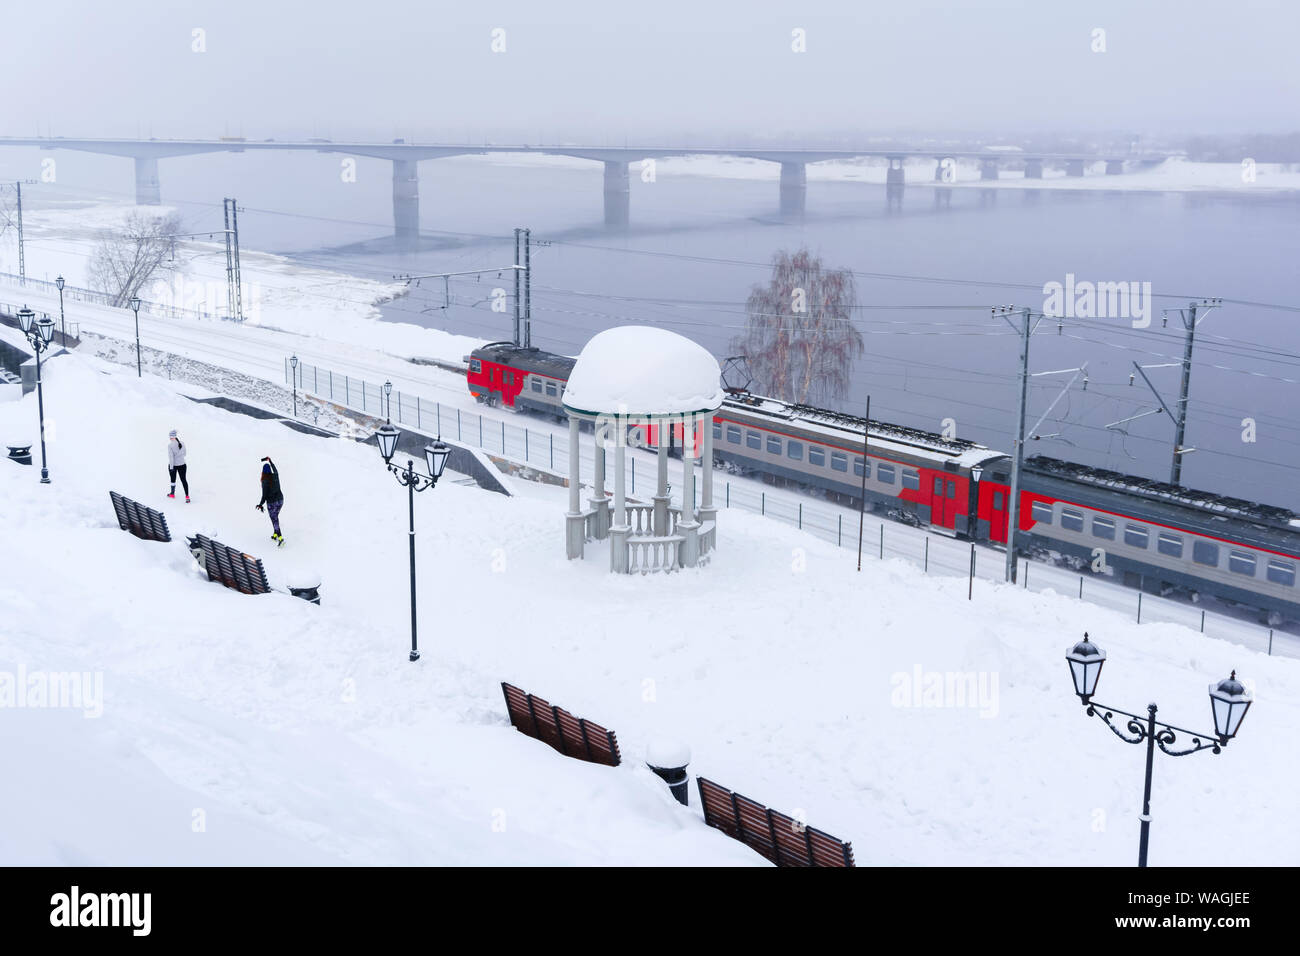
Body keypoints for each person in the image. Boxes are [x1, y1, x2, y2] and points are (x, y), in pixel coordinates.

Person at [255, 456, 285, 545]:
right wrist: (270, 461)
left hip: (272, 503)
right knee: (275, 518)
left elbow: (264, 495)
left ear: (263, 471)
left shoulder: (265, 481)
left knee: (274, 519)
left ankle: (280, 538)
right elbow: (275, 469)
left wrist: (260, 504)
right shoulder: (275, 475)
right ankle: (275, 534)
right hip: (280, 500)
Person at [167, 430, 190, 502]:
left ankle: (172, 493)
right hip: (183, 464)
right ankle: (187, 496)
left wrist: (171, 467)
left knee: (173, 479)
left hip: (174, 465)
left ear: (171, 437)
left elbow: (171, 458)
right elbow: (185, 453)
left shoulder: (170, 445)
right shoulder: (182, 443)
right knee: (184, 480)